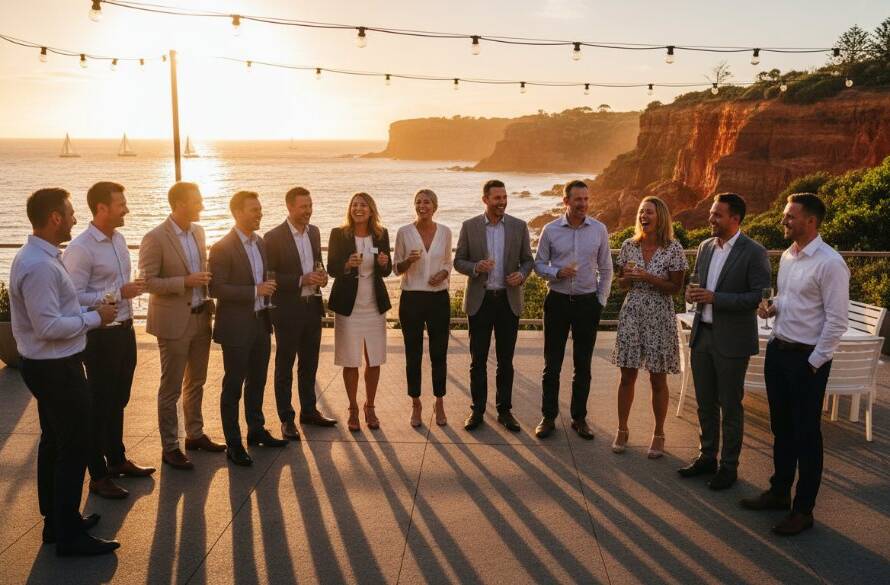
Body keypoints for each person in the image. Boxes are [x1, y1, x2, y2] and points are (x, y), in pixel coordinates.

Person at [10, 188, 120, 556]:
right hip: (55, 368)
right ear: (55, 217)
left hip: (50, 365)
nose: (75, 218)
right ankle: (68, 533)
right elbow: (47, 326)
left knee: (55, 442)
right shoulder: (39, 265)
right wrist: (95, 318)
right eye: (71, 213)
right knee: (73, 446)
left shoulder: (38, 256)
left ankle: (57, 522)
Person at [741, 193, 849, 536]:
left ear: (811, 221)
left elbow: (837, 322)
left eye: (790, 217)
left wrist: (813, 364)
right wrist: (772, 307)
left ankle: (803, 511)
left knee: (806, 436)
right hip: (779, 352)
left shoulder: (831, 263)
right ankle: (778, 492)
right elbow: (789, 298)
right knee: (782, 429)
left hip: (807, 361)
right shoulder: (788, 256)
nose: (783, 221)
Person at [62, 182, 155, 501]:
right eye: (121, 204)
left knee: (119, 398)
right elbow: (72, 297)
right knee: (99, 405)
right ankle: (98, 475)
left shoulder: (119, 240)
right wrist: (117, 293)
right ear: (101, 208)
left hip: (125, 330)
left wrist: (125, 292)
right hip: (99, 336)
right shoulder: (81, 248)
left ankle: (116, 459)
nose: (126, 208)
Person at [681, 193, 770, 490]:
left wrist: (716, 298)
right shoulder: (705, 246)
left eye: (717, 215)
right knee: (704, 403)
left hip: (732, 341)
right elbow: (695, 281)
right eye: (711, 213)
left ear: (735, 218)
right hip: (702, 336)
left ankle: (728, 467)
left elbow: (757, 296)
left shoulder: (754, 252)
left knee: (730, 406)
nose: (711, 219)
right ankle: (707, 456)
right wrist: (691, 294)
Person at [139, 182, 225, 470]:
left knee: (197, 382)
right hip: (173, 322)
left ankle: (195, 434)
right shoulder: (155, 237)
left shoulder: (199, 232)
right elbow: (147, 282)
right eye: (196, 201)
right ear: (178, 204)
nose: (201, 205)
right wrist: (184, 283)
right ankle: (170, 446)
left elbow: (201, 270)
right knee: (171, 387)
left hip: (202, 317)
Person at [209, 191, 288, 466]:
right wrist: (255, 290)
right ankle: (234, 444)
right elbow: (216, 288)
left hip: (261, 322)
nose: (259, 213)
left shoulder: (261, 243)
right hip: (236, 328)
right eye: (254, 209)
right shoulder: (222, 247)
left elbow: (265, 277)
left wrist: (264, 294)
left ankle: (256, 430)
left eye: (260, 209)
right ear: (238, 212)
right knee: (233, 386)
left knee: (258, 381)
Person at [533, 180, 613, 440]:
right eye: (578, 199)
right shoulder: (550, 230)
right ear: (565, 201)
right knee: (551, 364)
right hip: (556, 302)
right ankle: (548, 417)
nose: (583, 204)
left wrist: (600, 299)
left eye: (586, 199)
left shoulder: (599, 230)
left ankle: (579, 418)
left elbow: (607, 268)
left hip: (587, 303)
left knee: (583, 365)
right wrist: (557, 272)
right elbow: (538, 265)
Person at [454, 179, 534, 432]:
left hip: (507, 301)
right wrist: (476, 267)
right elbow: (458, 261)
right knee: (477, 360)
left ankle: (504, 410)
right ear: (485, 200)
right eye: (497, 198)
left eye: (504, 197)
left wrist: (521, 275)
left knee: (505, 360)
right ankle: (477, 411)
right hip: (481, 301)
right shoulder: (469, 226)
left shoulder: (519, 227)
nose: (502, 201)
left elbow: (527, 261)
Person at [610, 196, 687, 456]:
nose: (644, 216)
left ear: (660, 217)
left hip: (659, 314)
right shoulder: (628, 246)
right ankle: (622, 429)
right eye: (642, 212)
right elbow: (621, 284)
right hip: (632, 312)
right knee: (627, 375)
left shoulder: (673, 248)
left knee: (657, 378)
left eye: (649, 212)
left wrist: (647, 276)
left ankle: (659, 433)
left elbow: (676, 289)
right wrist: (627, 278)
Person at [264, 187, 337, 440]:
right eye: (303, 207)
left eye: (310, 205)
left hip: (312, 307)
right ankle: (286, 419)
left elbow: (318, 263)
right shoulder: (272, 237)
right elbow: (268, 276)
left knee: (309, 363)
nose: (308, 211)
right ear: (290, 208)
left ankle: (309, 410)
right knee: (284, 365)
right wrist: (300, 279)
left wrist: (322, 276)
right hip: (286, 310)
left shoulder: (315, 232)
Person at [327, 192, 392, 432]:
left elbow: (386, 271)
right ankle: (353, 408)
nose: (358, 208)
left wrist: (384, 263)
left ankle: (370, 406)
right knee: (350, 359)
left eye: (363, 205)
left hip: (374, 306)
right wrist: (346, 265)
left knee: (374, 358)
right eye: (355, 204)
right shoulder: (339, 234)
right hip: (348, 306)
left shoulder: (381, 234)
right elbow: (332, 268)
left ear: (371, 209)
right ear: (350, 209)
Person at [393, 189, 453, 427]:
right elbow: (396, 268)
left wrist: (443, 273)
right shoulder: (404, 232)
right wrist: (408, 261)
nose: (422, 206)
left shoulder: (445, 232)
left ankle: (439, 402)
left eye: (426, 202)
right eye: (418, 202)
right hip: (411, 299)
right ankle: (416, 403)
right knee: (413, 353)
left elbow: (448, 262)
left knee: (439, 353)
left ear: (435, 206)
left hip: (438, 298)